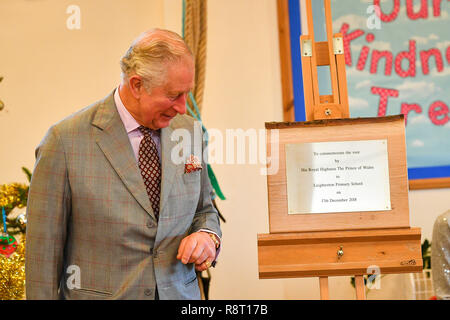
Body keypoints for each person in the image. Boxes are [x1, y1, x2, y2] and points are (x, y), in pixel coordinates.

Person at [25, 29, 222, 300]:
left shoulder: (189, 132)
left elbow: (205, 210)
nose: (182, 108)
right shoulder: (64, 142)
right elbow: (42, 257)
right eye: (173, 95)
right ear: (137, 85)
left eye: (186, 94)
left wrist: (207, 236)